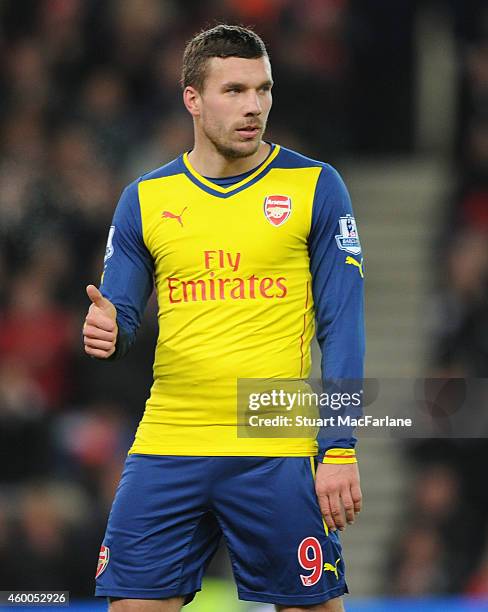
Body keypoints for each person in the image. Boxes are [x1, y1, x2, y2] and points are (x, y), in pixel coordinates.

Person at [83, 24, 364, 612]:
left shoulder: (315, 186)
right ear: (192, 98)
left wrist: (338, 448)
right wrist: (111, 329)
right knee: (130, 606)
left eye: (262, 90)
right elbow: (124, 313)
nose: (254, 107)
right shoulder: (146, 199)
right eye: (234, 91)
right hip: (170, 438)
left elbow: (343, 327)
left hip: (274, 439)